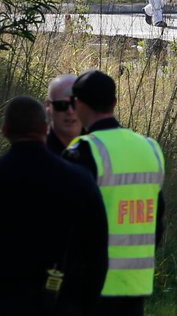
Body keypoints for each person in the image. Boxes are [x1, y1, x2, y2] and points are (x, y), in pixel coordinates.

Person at [63, 70, 166, 316]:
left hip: (92, 284)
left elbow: (68, 221)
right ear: (114, 102)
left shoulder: (83, 151)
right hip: (136, 282)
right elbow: (158, 218)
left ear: (78, 105)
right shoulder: (150, 148)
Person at [0, 95, 109, 315]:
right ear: (45, 128)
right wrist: (84, 304)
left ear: (5, 131)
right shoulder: (79, 180)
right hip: (61, 302)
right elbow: (97, 254)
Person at [45, 73, 80, 156]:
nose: (70, 111)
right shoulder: (35, 151)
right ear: (48, 106)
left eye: (75, 104)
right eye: (61, 105)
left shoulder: (98, 149)